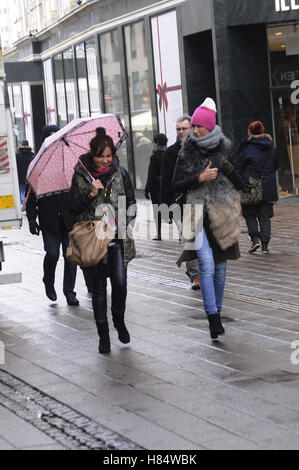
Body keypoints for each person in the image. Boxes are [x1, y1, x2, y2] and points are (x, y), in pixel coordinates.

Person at [172, 98, 244, 340]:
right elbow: (176, 185)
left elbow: (240, 182)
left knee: (221, 268)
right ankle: (212, 317)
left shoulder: (226, 147)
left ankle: (218, 310)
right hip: (195, 212)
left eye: (197, 127)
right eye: (191, 127)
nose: (193, 131)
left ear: (210, 126)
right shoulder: (186, 150)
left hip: (222, 211)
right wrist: (199, 178)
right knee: (207, 263)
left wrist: (231, 171)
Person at [68, 127, 136, 354]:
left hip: (117, 238)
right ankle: (103, 335)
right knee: (98, 290)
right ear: (92, 154)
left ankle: (119, 320)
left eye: (109, 155)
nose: (105, 160)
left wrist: (125, 222)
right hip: (93, 240)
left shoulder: (120, 173)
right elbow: (72, 208)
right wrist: (89, 192)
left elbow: (131, 202)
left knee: (119, 283)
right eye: (100, 156)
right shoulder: (81, 175)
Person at [26, 125, 79, 306]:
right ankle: (48, 281)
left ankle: (69, 292)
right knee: (52, 254)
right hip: (49, 221)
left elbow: (77, 190)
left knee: (70, 257)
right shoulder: (36, 164)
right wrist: (32, 219)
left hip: (68, 220)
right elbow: (31, 197)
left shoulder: (69, 159)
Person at [160, 115, 201, 290]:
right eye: (178, 129)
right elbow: (165, 181)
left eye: (184, 128)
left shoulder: (200, 148)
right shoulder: (170, 153)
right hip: (181, 203)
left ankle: (205, 269)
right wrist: (165, 207)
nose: (181, 132)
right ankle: (195, 275)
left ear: (192, 128)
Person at [237, 121, 279, 255]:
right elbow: (276, 165)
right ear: (262, 131)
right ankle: (265, 246)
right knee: (265, 216)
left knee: (249, 214)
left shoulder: (247, 148)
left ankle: (255, 239)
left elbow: (239, 166)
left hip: (250, 186)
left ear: (250, 132)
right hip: (268, 187)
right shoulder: (271, 148)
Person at [145, 133, 168, 240]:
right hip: (168, 186)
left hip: (156, 187)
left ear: (157, 143)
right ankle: (181, 232)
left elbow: (151, 174)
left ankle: (158, 234)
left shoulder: (155, 156)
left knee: (157, 210)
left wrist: (147, 189)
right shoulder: (169, 154)